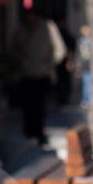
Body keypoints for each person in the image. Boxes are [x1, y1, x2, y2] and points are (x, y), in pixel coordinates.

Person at [10, 9, 68, 145]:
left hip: (43, 74)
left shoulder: (48, 27)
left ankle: (39, 133)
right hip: (26, 74)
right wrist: (20, 61)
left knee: (40, 106)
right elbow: (13, 48)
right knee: (27, 107)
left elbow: (60, 49)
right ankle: (28, 134)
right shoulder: (21, 30)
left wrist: (50, 63)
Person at [76, 24, 93, 108]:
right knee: (86, 83)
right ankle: (86, 100)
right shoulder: (84, 41)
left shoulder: (86, 41)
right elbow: (82, 55)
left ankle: (86, 99)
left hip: (87, 64)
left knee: (87, 83)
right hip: (85, 64)